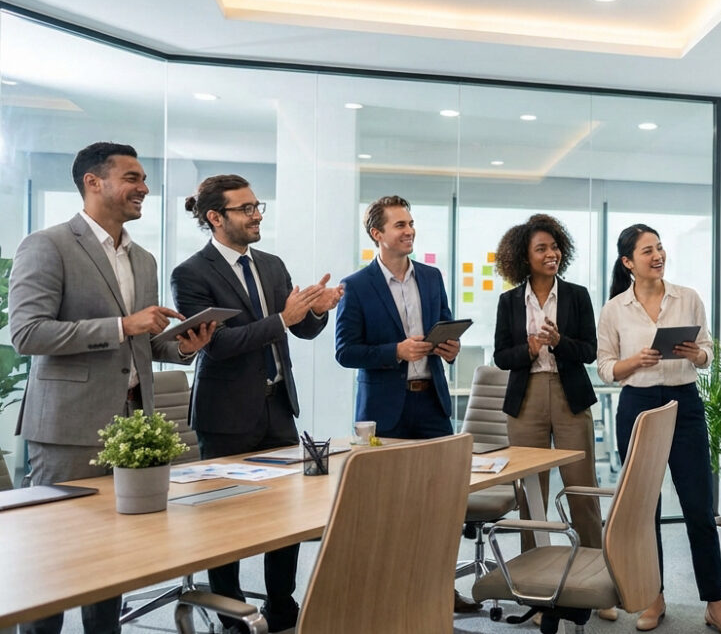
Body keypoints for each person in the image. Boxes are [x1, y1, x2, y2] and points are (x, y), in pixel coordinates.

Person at [9, 141, 214, 634]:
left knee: (114, 557)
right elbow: (27, 334)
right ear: (93, 182)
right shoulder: (48, 245)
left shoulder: (144, 259)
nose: (144, 188)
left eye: (143, 179)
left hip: (133, 427)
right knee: (55, 555)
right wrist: (122, 325)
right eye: (132, 178)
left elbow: (140, 344)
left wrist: (185, 346)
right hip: (69, 429)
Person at [171, 174, 341, 634]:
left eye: (257, 206)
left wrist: (317, 310)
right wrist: (282, 318)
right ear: (215, 217)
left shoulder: (271, 264)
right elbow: (217, 345)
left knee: (284, 516)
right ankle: (232, 612)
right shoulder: (191, 273)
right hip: (225, 415)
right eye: (245, 208)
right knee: (223, 520)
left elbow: (299, 329)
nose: (256, 215)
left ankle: (282, 604)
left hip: (277, 407)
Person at [596, 224, 721, 634]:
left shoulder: (688, 298)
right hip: (638, 406)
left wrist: (697, 354)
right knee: (646, 511)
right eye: (647, 251)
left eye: (659, 248)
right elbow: (605, 366)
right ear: (628, 262)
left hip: (684, 405)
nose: (657, 256)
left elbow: (708, 351)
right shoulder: (614, 309)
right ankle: (654, 598)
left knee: (699, 507)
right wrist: (635, 362)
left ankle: (715, 604)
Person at [333, 195, 477, 613]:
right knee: (385, 506)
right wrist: (395, 351)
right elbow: (345, 351)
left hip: (431, 403)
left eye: (411, 223)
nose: (409, 230)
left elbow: (445, 326)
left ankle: (439, 589)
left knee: (441, 503)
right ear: (377, 234)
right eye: (400, 225)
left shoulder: (431, 277)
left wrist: (450, 348)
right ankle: (386, 592)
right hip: (384, 411)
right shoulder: (357, 285)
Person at [492, 214, 602, 554]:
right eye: (541, 249)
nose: (551, 254)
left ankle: (593, 565)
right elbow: (501, 356)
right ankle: (533, 567)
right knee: (531, 493)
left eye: (554, 247)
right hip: (526, 399)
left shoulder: (577, 295)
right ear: (525, 257)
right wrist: (529, 349)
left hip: (570, 396)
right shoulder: (509, 301)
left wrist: (558, 341)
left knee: (581, 487)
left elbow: (589, 351)